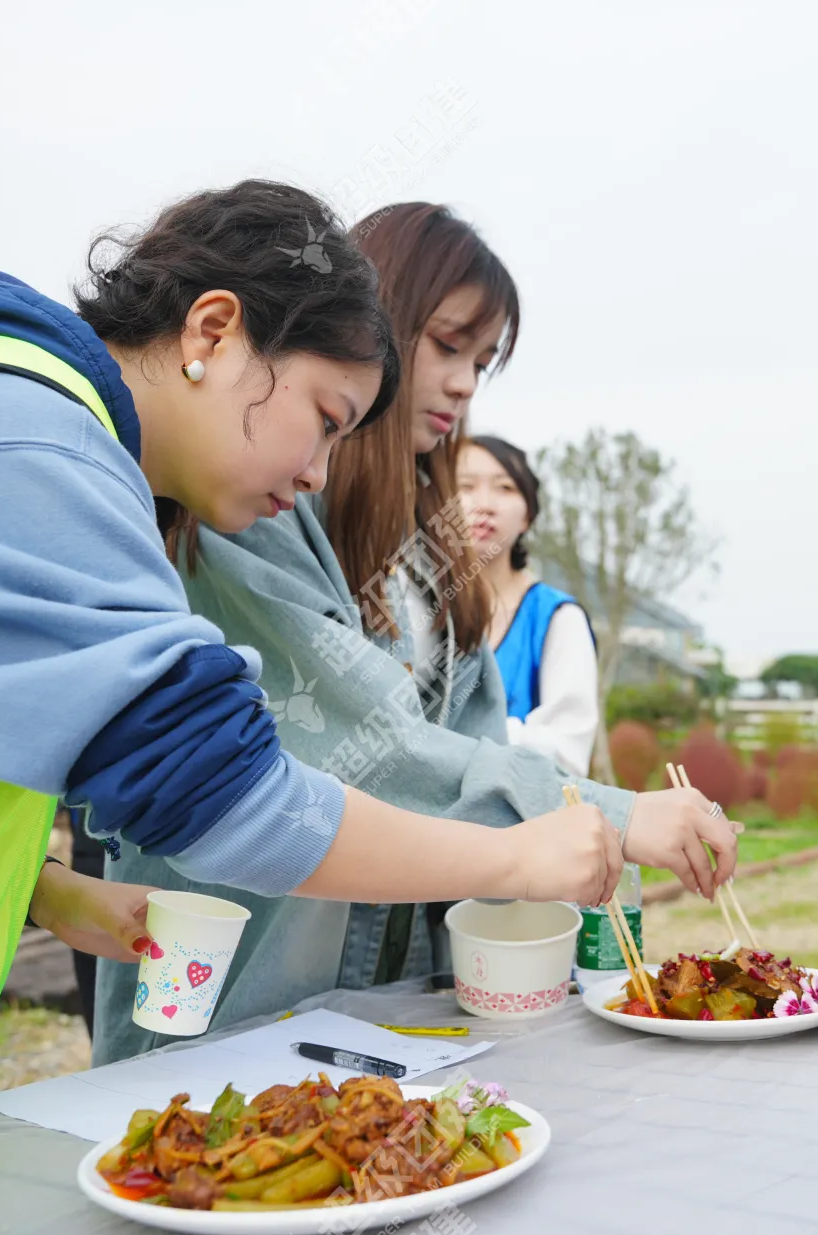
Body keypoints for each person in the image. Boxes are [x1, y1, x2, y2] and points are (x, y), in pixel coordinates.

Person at [0, 180, 628, 1185]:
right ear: (213, 330)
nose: (321, 473)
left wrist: (41, 889)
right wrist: (517, 858)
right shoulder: (30, 438)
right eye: (325, 419)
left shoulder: (9, 413)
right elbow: (231, 797)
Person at [93, 203, 735, 1064]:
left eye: (482, 362)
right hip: (235, 996)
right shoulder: (241, 497)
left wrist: (560, 842)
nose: (465, 385)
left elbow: (472, 745)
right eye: (448, 345)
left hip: (394, 1008)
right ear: (370, 324)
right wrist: (605, 814)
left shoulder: (430, 551)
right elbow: (361, 748)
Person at [459, 434, 600, 776]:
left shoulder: (557, 618)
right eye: (466, 486)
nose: (484, 504)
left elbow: (566, 752)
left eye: (505, 488)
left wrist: (453, 736)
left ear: (528, 515)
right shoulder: (412, 608)